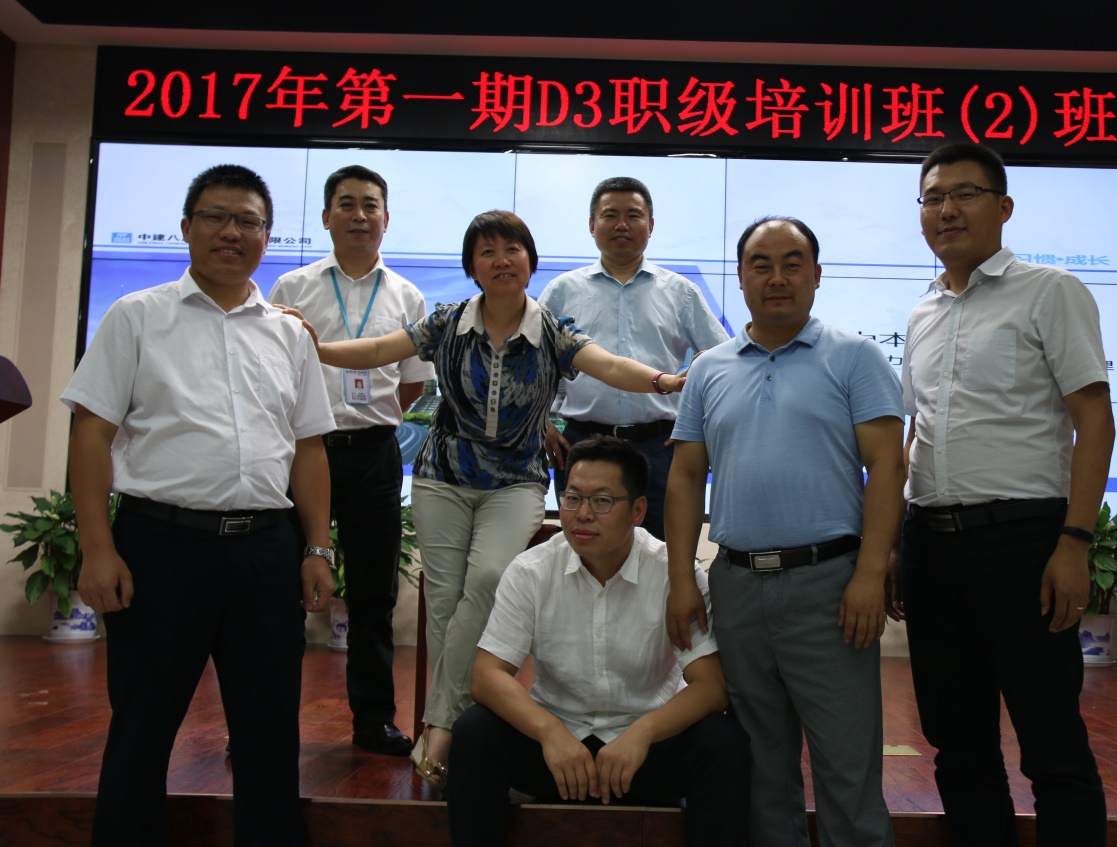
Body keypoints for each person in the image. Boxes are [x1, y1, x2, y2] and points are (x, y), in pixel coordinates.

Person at [284, 209, 685, 793]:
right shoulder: (447, 322)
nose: (501, 261)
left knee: (491, 579)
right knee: (445, 601)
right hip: (443, 477)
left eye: (512, 250)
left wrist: (663, 381)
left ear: (529, 261)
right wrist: (318, 348)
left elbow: (610, 364)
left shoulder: (552, 331)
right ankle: (459, 730)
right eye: (488, 251)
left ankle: (440, 725)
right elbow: (377, 350)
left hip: (515, 480)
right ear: (472, 266)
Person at [62, 164, 336, 846]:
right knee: (142, 727)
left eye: (248, 221)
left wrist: (316, 547)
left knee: (269, 734)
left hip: (265, 552)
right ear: (187, 227)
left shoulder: (289, 334)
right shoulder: (137, 316)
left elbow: (308, 449)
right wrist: (97, 548)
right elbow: (91, 432)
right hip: (161, 547)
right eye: (215, 217)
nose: (230, 232)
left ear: (267, 236)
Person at [891, 142, 1114, 847]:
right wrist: (895, 541)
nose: (946, 210)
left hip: (1022, 543)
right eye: (933, 197)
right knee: (956, 743)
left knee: (1051, 742)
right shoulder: (922, 312)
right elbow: (916, 431)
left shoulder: (1050, 291)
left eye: (965, 194)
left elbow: (1094, 419)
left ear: (1004, 206)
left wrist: (1074, 542)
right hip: (931, 547)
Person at [665, 216, 905, 847]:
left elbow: (888, 466)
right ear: (741, 278)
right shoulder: (709, 369)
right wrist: (681, 580)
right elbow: (685, 476)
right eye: (761, 264)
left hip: (829, 587)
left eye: (792, 263)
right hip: (737, 586)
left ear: (816, 275)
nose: (777, 277)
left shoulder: (855, 357)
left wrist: (870, 574)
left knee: (846, 769)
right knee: (763, 772)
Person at [445, 435, 749, 845]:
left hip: (646, 752)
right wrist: (549, 732)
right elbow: (486, 676)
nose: (582, 514)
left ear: (638, 510)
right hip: (558, 753)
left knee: (723, 742)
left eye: (602, 501)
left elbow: (710, 686)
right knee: (474, 731)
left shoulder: (674, 575)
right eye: (573, 499)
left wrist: (643, 733)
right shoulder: (532, 570)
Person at [270, 165, 431, 756]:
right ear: (325, 217)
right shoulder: (292, 287)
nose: (359, 215)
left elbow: (411, 384)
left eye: (370, 205)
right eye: (346, 204)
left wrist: (368, 416)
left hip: (372, 455)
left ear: (386, 218)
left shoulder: (407, 296)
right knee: (280, 590)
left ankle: (374, 719)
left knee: (372, 594)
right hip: (301, 453)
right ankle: (266, 721)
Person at [539, 176, 729, 540]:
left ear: (650, 225)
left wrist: (698, 427)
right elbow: (532, 364)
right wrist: (541, 423)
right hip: (581, 443)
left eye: (633, 215)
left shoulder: (680, 291)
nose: (622, 225)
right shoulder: (562, 290)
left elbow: (722, 361)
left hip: (659, 446)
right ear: (592, 224)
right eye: (610, 215)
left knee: (661, 549)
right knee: (585, 548)